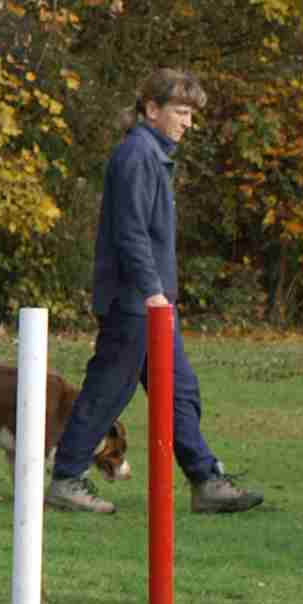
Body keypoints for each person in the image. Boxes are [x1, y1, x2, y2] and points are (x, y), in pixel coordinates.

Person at [44, 68, 263, 519]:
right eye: (181, 112)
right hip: (137, 303)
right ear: (151, 109)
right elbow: (131, 233)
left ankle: (205, 480)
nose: (188, 123)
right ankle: (66, 478)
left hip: (151, 303)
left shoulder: (152, 154)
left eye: (190, 114)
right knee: (108, 390)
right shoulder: (137, 155)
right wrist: (151, 291)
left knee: (179, 391)